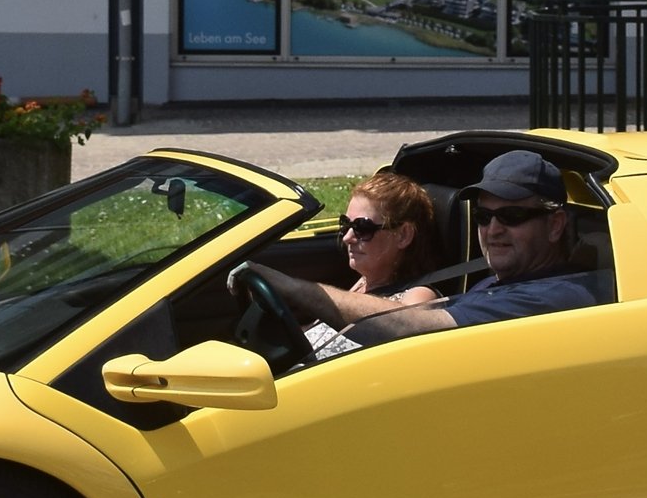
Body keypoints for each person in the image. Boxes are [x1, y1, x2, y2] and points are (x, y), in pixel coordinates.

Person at [242, 149, 598, 351]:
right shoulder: (496, 283)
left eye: (512, 216)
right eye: (484, 216)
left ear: (555, 225)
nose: (493, 229)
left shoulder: (552, 296)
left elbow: (416, 331)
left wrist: (297, 289)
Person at [273, 171, 443, 355]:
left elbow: (411, 336)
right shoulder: (364, 282)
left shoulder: (418, 295)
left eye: (362, 228)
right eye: (346, 224)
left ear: (403, 235)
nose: (347, 237)